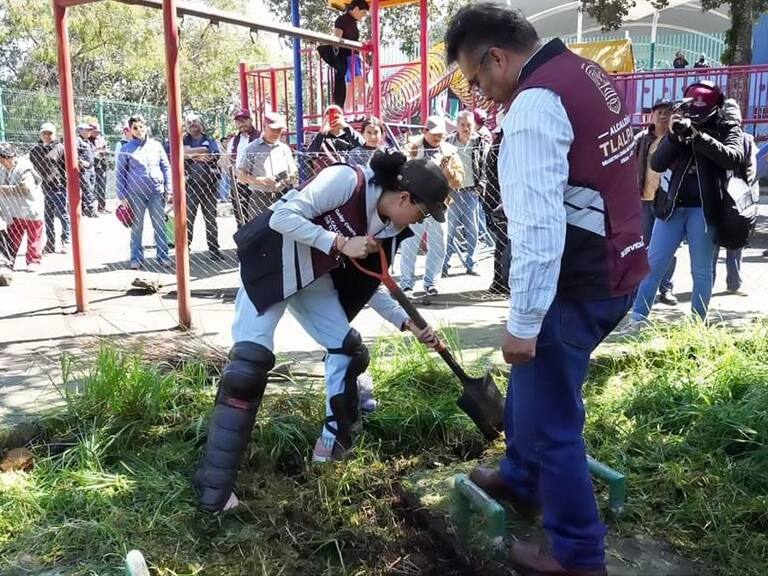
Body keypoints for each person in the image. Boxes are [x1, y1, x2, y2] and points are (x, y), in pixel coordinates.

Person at [446, 3, 649, 575]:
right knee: (530, 384)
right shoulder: (583, 71)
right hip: (618, 263)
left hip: (575, 283)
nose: (477, 93)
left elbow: (537, 230)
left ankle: (577, 553)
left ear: (497, 57)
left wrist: (524, 322)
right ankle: (520, 477)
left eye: (474, 78)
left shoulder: (534, 107)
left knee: (555, 422)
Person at [192, 150, 449, 513]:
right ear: (404, 198)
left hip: (312, 276)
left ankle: (332, 451)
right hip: (271, 264)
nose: (419, 222)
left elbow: (372, 283)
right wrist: (339, 243)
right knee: (248, 367)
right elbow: (282, 217)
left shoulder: (388, 227)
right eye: (421, 214)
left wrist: (406, 322)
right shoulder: (346, 181)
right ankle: (213, 488)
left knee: (348, 351)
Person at [631, 81, 744, 324]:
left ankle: (697, 324)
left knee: (701, 270)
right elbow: (657, 164)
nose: (696, 112)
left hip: (704, 210)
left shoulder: (726, 126)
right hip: (671, 208)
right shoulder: (680, 123)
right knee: (653, 264)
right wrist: (673, 136)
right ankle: (638, 318)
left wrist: (698, 137)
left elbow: (734, 159)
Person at [398, 115, 464, 295]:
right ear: (424, 131)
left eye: (441, 134)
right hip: (414, 205)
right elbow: (400, 173)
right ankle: (406, 283)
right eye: (434, 133)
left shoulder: (450, 152)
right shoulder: (410, 149)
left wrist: (448, 172)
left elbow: (459, 179)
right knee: (409, 244)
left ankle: (432, 283)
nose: (438, 137)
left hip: (439, 205)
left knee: (438, 245)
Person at [634, 98, 677, 305]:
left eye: (667, 112)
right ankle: (642, 287)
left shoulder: (676, 138)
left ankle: (666, 288)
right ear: (652, 115)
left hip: (666, 203)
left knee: (668, 248)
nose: (663, 116)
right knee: (645, 247)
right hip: (644, 200)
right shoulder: (642, 139)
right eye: (659, 112)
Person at [115, 114, 173, 270]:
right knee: (136, 227)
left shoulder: (156, 146)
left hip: (157, 192)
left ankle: (163, 256)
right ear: (131, 130)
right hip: (135, 194)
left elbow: (166, 168)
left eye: (141, 127)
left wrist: (169, 190)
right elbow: (120, 173)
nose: (139, 130)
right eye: (135, 128)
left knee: (159, 225)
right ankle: (136, 258)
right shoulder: (126, 149)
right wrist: (122, 196)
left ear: (146, 127)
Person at [711, 98, 755, 296]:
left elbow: (750, 170)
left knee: (717, 242)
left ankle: (713, 285)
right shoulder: (745, 138)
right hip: (737, 196)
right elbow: (751, 171)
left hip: (722, 195)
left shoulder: (717, 137)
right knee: (732, 243)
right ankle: (733, 284)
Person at [443, 110, 489, 277]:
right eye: (462, 124)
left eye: (469, 125)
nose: (466, 128)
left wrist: (480, 188)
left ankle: (472, 263)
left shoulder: (479, 142)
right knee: (449, 230)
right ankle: (444, 264)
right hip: (452, 192)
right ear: (457, 125)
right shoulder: (448, 142)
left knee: (472, 230)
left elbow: (484, 166)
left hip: (471, 191)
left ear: (474, 126)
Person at [237, 111, 297, 221]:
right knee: (259, 230)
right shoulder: (251, 148)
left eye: (279, 130)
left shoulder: (285, 149)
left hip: (282, 196)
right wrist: (260, 180)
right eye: (273, 129)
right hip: (259, 198)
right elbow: (241, 177)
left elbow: (294, 174)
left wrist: (288, 178)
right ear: (264, 127)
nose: (276, 133)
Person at [183, 114, 222, 259]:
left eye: (195, 121)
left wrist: (189, 154)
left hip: (209, 186)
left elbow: (213, 154)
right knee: (187, 219)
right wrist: (198, 153)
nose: (192, 124)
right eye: (189, 122)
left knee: (211, 219)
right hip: (190, 187)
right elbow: (179, 153)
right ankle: (184, 250)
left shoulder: (210, 139)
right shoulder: (184, 140)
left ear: (201, 124)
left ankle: (214, 250)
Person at [0, 143, 45, 271]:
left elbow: (26, 188)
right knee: (12, 238)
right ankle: (8, 262)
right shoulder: (2, 169)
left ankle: (33, 261)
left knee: (34, 237)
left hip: (31, 208)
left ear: (3, 158)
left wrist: (3, 189)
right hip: (13, 210)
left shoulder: (24, 167)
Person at [29, 122, 70, 254]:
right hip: (42, 189)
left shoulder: (60, 148)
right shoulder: (35, 150)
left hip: (58, 187)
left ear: (54, 134)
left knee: (63, 215)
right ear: (40, 134)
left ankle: (66, 241)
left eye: (49, 133)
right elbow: (31, 168)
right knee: (47, 217)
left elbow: (66, 167)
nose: (47, 135)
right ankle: (50, 243)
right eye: (44, 133)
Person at [484, 112, 509, 295]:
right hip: (502, 198)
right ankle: (501, 281)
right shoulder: (503, 145)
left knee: (502, 241)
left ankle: (500, 281)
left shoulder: (496, 144)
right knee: (504, 242)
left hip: (497, 198)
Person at [331, 0, 369, 109]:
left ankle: (351, 114)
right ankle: (359, 113)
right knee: (360, 86)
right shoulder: (342, 20)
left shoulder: (352, 21)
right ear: (356, 9)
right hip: (349, 57)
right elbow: (336, 38)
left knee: (352, 87)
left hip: (351, 57)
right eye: (363, 13)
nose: (363, 16)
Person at [226, 109, 261, 228]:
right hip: (239, 182)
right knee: (241, 215)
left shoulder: (261, 137)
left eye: (244, 120)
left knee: (258, 214)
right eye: (238, 121)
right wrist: (238, 174)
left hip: (258, 181)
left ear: (250, 120)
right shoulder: (233, 141)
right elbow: (228, 160)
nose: (242, 123)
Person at [307, 105, 365, 169]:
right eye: (328, 114)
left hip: (349, 170)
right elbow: (310, 155)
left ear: (343, 118)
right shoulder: (321, 138)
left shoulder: (351, 135)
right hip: (329, 171)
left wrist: (346, 127)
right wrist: (321, 134)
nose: (334, 117)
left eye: (338, 114)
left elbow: (364, 147)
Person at [76, 123, 97, 217]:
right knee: (87, 189)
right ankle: (90, 210)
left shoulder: (88, 141)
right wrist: (81, 162)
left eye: (89, 130)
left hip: (91, 168)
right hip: (84, 170)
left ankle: (85, 209)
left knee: (91, 188)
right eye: (87, 130)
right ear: (80, 131)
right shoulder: (78, 140)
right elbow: (74, 153)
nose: (89, 132)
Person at [89, 123, 110, 214]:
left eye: (98, 132)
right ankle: (90, 209)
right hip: (91, 167)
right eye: (95, 131)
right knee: (90, 188)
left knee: (102, 188)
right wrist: (97, 151)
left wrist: (103, 152)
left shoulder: (101, 139)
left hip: (101, 166)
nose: (97, 133)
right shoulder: (87, 140)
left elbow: (106, 150)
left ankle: (101, 207)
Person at [217, 135, 232, 202]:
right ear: (221, 143)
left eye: (227, 142)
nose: (226, 143)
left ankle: (227, 197)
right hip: (222, 168)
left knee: (227, 184)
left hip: (228, 168)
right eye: (225, 142)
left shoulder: (228, 149)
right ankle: (223, 198)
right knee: (223, 183)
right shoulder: (219, 149)